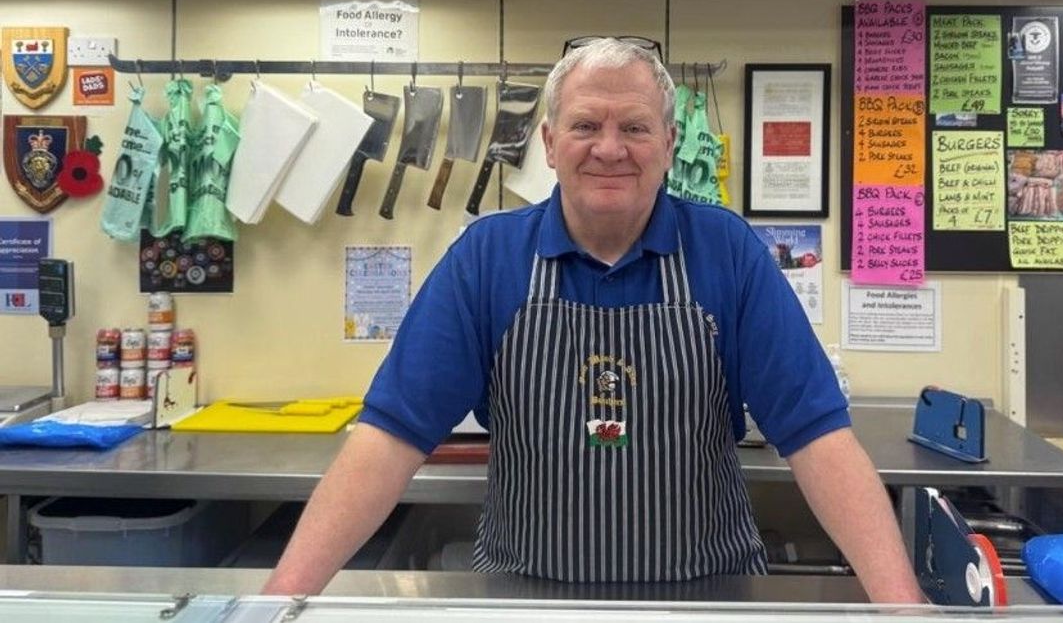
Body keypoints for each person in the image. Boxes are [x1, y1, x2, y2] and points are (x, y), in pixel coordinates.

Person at [264, 39, 923, 601]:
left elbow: (818, 438)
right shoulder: (487, 259)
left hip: (706, 597)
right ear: (550, 143)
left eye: (634, 128)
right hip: (526, 596)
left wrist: (903, 609)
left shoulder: (727, 252)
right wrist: (278, 601)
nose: (610, 149)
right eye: (585, 126)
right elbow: (390, 437)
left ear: (669, 144)